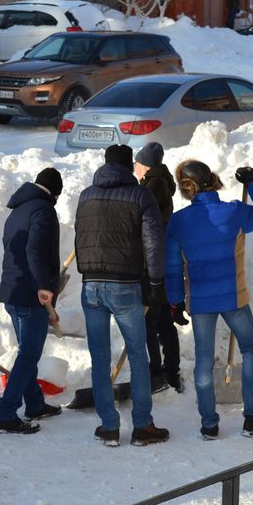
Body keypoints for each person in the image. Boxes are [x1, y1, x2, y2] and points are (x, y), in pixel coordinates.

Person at [164, 161, 253, 440]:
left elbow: (172, 267)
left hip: (201, 301)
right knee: (250, 350)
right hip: (233, 298)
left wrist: (176, 302)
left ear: (185, 189)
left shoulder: (178, 221)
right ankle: (252, 419)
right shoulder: (233, 211)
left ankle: (209, 425)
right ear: (212, 180)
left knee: (203, 360)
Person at [75, 144, 169, 448]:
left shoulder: (86, 196)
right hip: (125, 284)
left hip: (91, 285)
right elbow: (153, 243)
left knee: (99, 359)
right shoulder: (140, 195)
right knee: (138, 355)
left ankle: (109, 427)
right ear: (130, 167)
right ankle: (142, 426)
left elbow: (80, 236)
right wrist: (155, 283)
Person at [0, 168, 65, 435]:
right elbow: (34, 250)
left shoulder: (18, 209)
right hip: (30, 294)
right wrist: (44, 286)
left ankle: (34, 403)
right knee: (29, 354)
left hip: (12, 290)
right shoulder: (44, 210)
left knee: (27, 351)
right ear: (55, 193)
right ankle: (5, 413)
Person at [133, 143, 183, 394]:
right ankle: (171, 373)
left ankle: (159, 374)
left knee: (152, 321)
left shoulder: (152, 185)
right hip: (160, 259)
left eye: (137, 163)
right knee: (162, 319)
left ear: (145, 164)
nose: (134, 167)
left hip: (151, 261)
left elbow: (143, 222)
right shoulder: (159, 181)